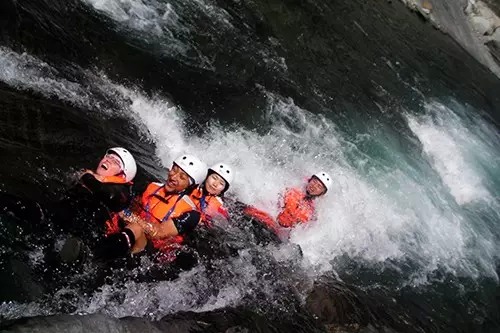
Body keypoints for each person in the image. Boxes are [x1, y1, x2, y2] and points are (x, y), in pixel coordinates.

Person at [98, 154, 206, 262]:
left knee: (136, 228)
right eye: (174, 169)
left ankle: (97, 258)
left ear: (190, 186)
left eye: (182, 177)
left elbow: (157, 232)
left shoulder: (192, 214)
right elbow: (129, 202)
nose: (173, 177)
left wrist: (126, 214)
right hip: (131, 234)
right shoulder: (150, 186)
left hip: (152, 254)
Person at [243, 171, 332, 234]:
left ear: (321, 193)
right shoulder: (292, 187)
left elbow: (296, 232)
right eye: (315, 182)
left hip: (272, 231)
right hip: (259, 217)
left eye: (319, 187)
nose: (314, 186)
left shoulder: (311, 213)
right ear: (310, 180)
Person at [189, 163, 234, 227]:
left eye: (221, 183)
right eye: (214, 178)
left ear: (223, 190)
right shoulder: (191, 188)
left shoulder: (219, 208)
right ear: (207, 177)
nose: (215, 184)